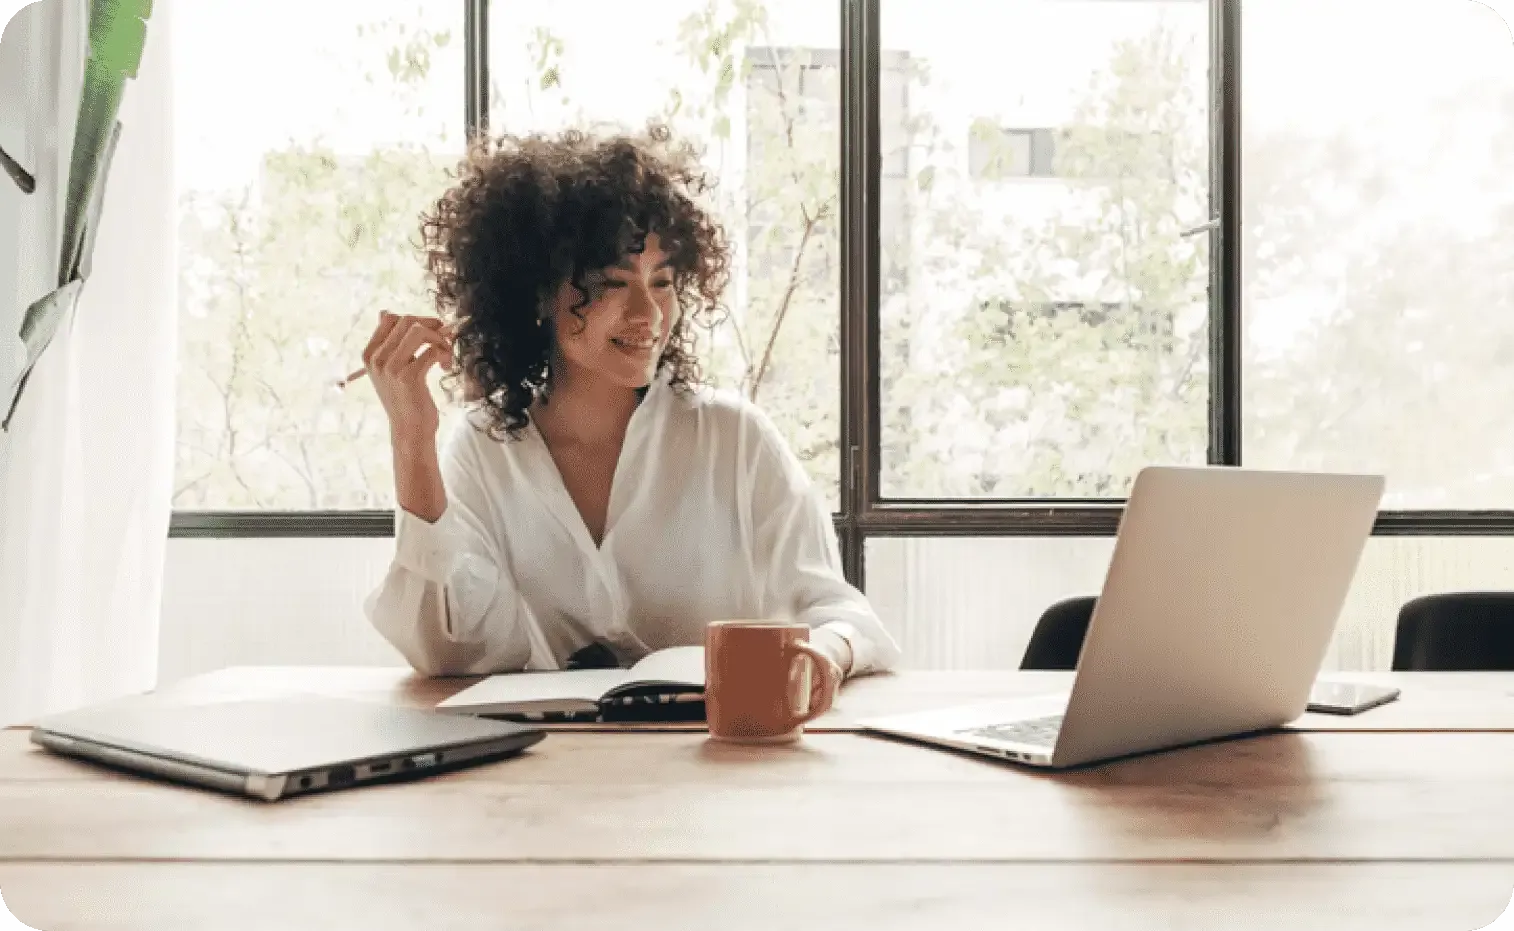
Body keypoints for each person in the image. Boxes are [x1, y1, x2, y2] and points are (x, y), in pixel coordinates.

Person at [361, 124, 901, 704]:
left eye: (663, 281)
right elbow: (447, 652)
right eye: (612, 283)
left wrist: (826, 654)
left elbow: (845, 616)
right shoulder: (482, 449)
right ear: (537, 295)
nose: (649, 313)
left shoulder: (733, 438)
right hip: (548, 775)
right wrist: (412, 436)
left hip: (724, 771)